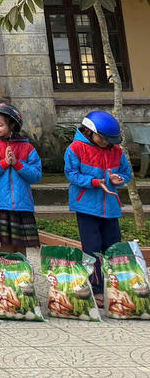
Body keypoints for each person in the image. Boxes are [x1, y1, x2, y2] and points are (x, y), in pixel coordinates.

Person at [65, 109, 132, 306]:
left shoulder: (117, 151)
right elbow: (71, 174)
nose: (106, 143)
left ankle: (117, 288)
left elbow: (127, 173)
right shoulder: (76, 148)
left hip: (110, 207)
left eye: (109, 139)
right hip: (86, 207)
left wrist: (117, 179)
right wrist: (94, 181)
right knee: (92, 249)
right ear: (88, 131)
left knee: (113, 248)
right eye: (102, 138)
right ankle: (96, 289)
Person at [0, 102, 43, 255]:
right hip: (0, 203)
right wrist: (4, 163)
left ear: (12, 125)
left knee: (21, 246)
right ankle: (5, 276)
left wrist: (17, 164)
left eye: (0, 124)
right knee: (6, 246)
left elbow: (36, 175)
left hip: (23, 203)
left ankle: (22, 277)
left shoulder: (27, 147)